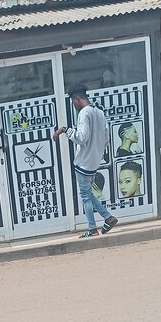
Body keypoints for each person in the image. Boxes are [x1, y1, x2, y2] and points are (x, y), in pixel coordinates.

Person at [53, 85, 119, 238]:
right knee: (88, 193)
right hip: (94, 162)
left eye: (73, 102)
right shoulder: (100, 113)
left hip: (83, 162)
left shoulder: (84, 113)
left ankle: (92, 229)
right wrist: (96, 151)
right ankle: (108, 217)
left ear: (77, 99)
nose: (74, 106)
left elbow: (81, 138)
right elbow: (106, 139)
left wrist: (65, 130)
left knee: (85, 196)